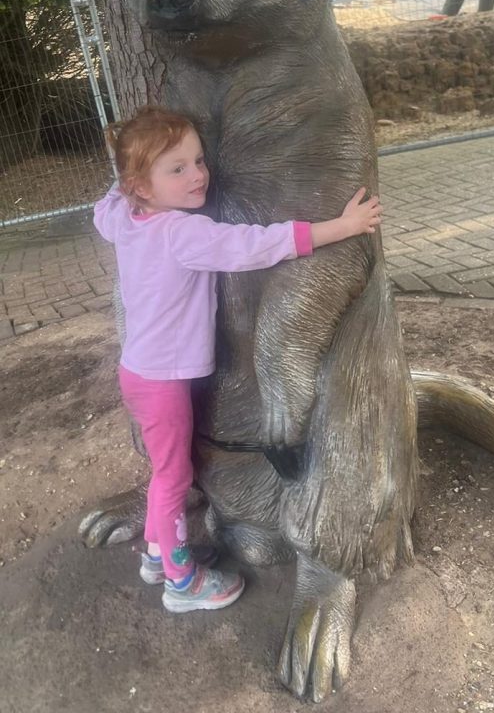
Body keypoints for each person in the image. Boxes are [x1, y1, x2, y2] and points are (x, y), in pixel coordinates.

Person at [94, 105, 382, 615]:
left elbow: (104, 206)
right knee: (172, 478)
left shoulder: (123, 218)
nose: (198, 175)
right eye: (176, 169)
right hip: (163, 383)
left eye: (198, 160)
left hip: (138, 372)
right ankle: (182, 583)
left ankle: (159, 554)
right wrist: (343, 226)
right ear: (142, 186)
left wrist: (123, 177)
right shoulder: (182, 234)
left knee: (167, 470)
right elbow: (258, 245)